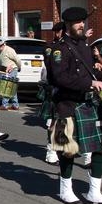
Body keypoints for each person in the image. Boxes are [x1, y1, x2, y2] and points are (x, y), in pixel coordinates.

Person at [49, 7, 102, 204]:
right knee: (69, 151)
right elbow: (59, 78)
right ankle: (65, 190)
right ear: (67, 25)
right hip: (68, 105)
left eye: (83, 21)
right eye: (77, 23)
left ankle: (94, 192)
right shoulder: (59, 49)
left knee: (101, 147)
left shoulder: (84, 46)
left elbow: (90, 74)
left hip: (89, 104)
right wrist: (90, 84)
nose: (82, 25)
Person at [40, 21, 66, 164]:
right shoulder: (50, 47)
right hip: (54, 87)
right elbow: (52, 64)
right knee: (53, 122)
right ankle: (51, 151)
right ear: (58, 33)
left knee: (66, 122)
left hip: (68, 89)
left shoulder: (70, 46)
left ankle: (62, 147)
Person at [0, 39, 21, 110]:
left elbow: (17, 60)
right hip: (4, 70)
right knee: (11, 87)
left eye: (0, 46)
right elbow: (1, 61)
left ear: (3, 44)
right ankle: (15, 104)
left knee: (7, 87)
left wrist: (19, 67)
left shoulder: (9, 50)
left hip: (12, 69)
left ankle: (4, 104)